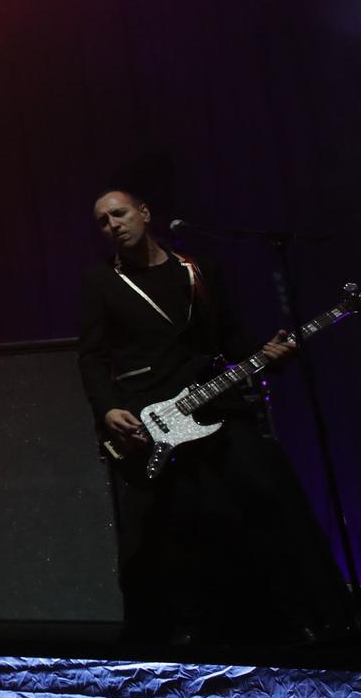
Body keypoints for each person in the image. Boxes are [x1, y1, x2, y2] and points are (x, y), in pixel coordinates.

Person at [78, 188, 351, 645]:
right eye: (103, 222)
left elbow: (229, 338)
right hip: (150, 416)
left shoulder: (197, 270)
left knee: (265, 490)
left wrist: (268, 355)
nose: (113, 226)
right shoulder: (101, 281)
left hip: (214, 403)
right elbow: (90, 356)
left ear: (144, 212)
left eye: (119, 214)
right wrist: (108, 407)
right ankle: (177, 634)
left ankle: (303, 620)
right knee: (168, 525)